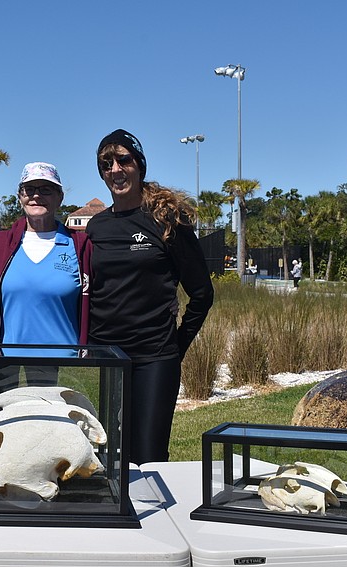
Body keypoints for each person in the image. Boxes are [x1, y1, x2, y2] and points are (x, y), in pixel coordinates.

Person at [86, 129, 214, 465]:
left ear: (139, 165)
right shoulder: (96, 227)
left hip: (153, 359)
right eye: (106, 163)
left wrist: (174, 346)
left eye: (123, 160)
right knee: (109, 456)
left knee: (148, 456)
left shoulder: (166, 220)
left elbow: (202, 294)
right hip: (107, 358)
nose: (115, 169)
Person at [0, 162, 91, 394]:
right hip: (3, 357)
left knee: (49, 426)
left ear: (59, 197)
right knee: (4, 424)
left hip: (61, 360)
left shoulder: (80, 245)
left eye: (46, 190)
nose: (36, 196)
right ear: (20, 196)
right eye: (29, 189)